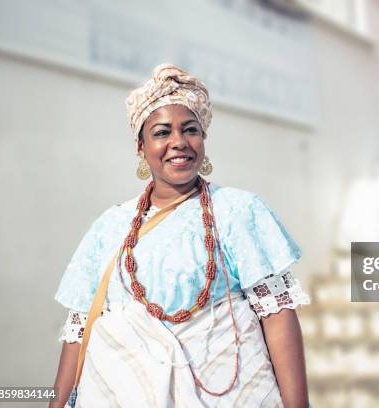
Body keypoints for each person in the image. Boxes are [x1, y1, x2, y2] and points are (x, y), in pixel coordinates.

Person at [50, 63, 310, 407]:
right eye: (161, 133)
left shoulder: (238, 211)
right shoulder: (109, 228)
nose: (178, 143)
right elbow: (80, 332)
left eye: (190, 130)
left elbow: (277, 315)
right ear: (141, 147)